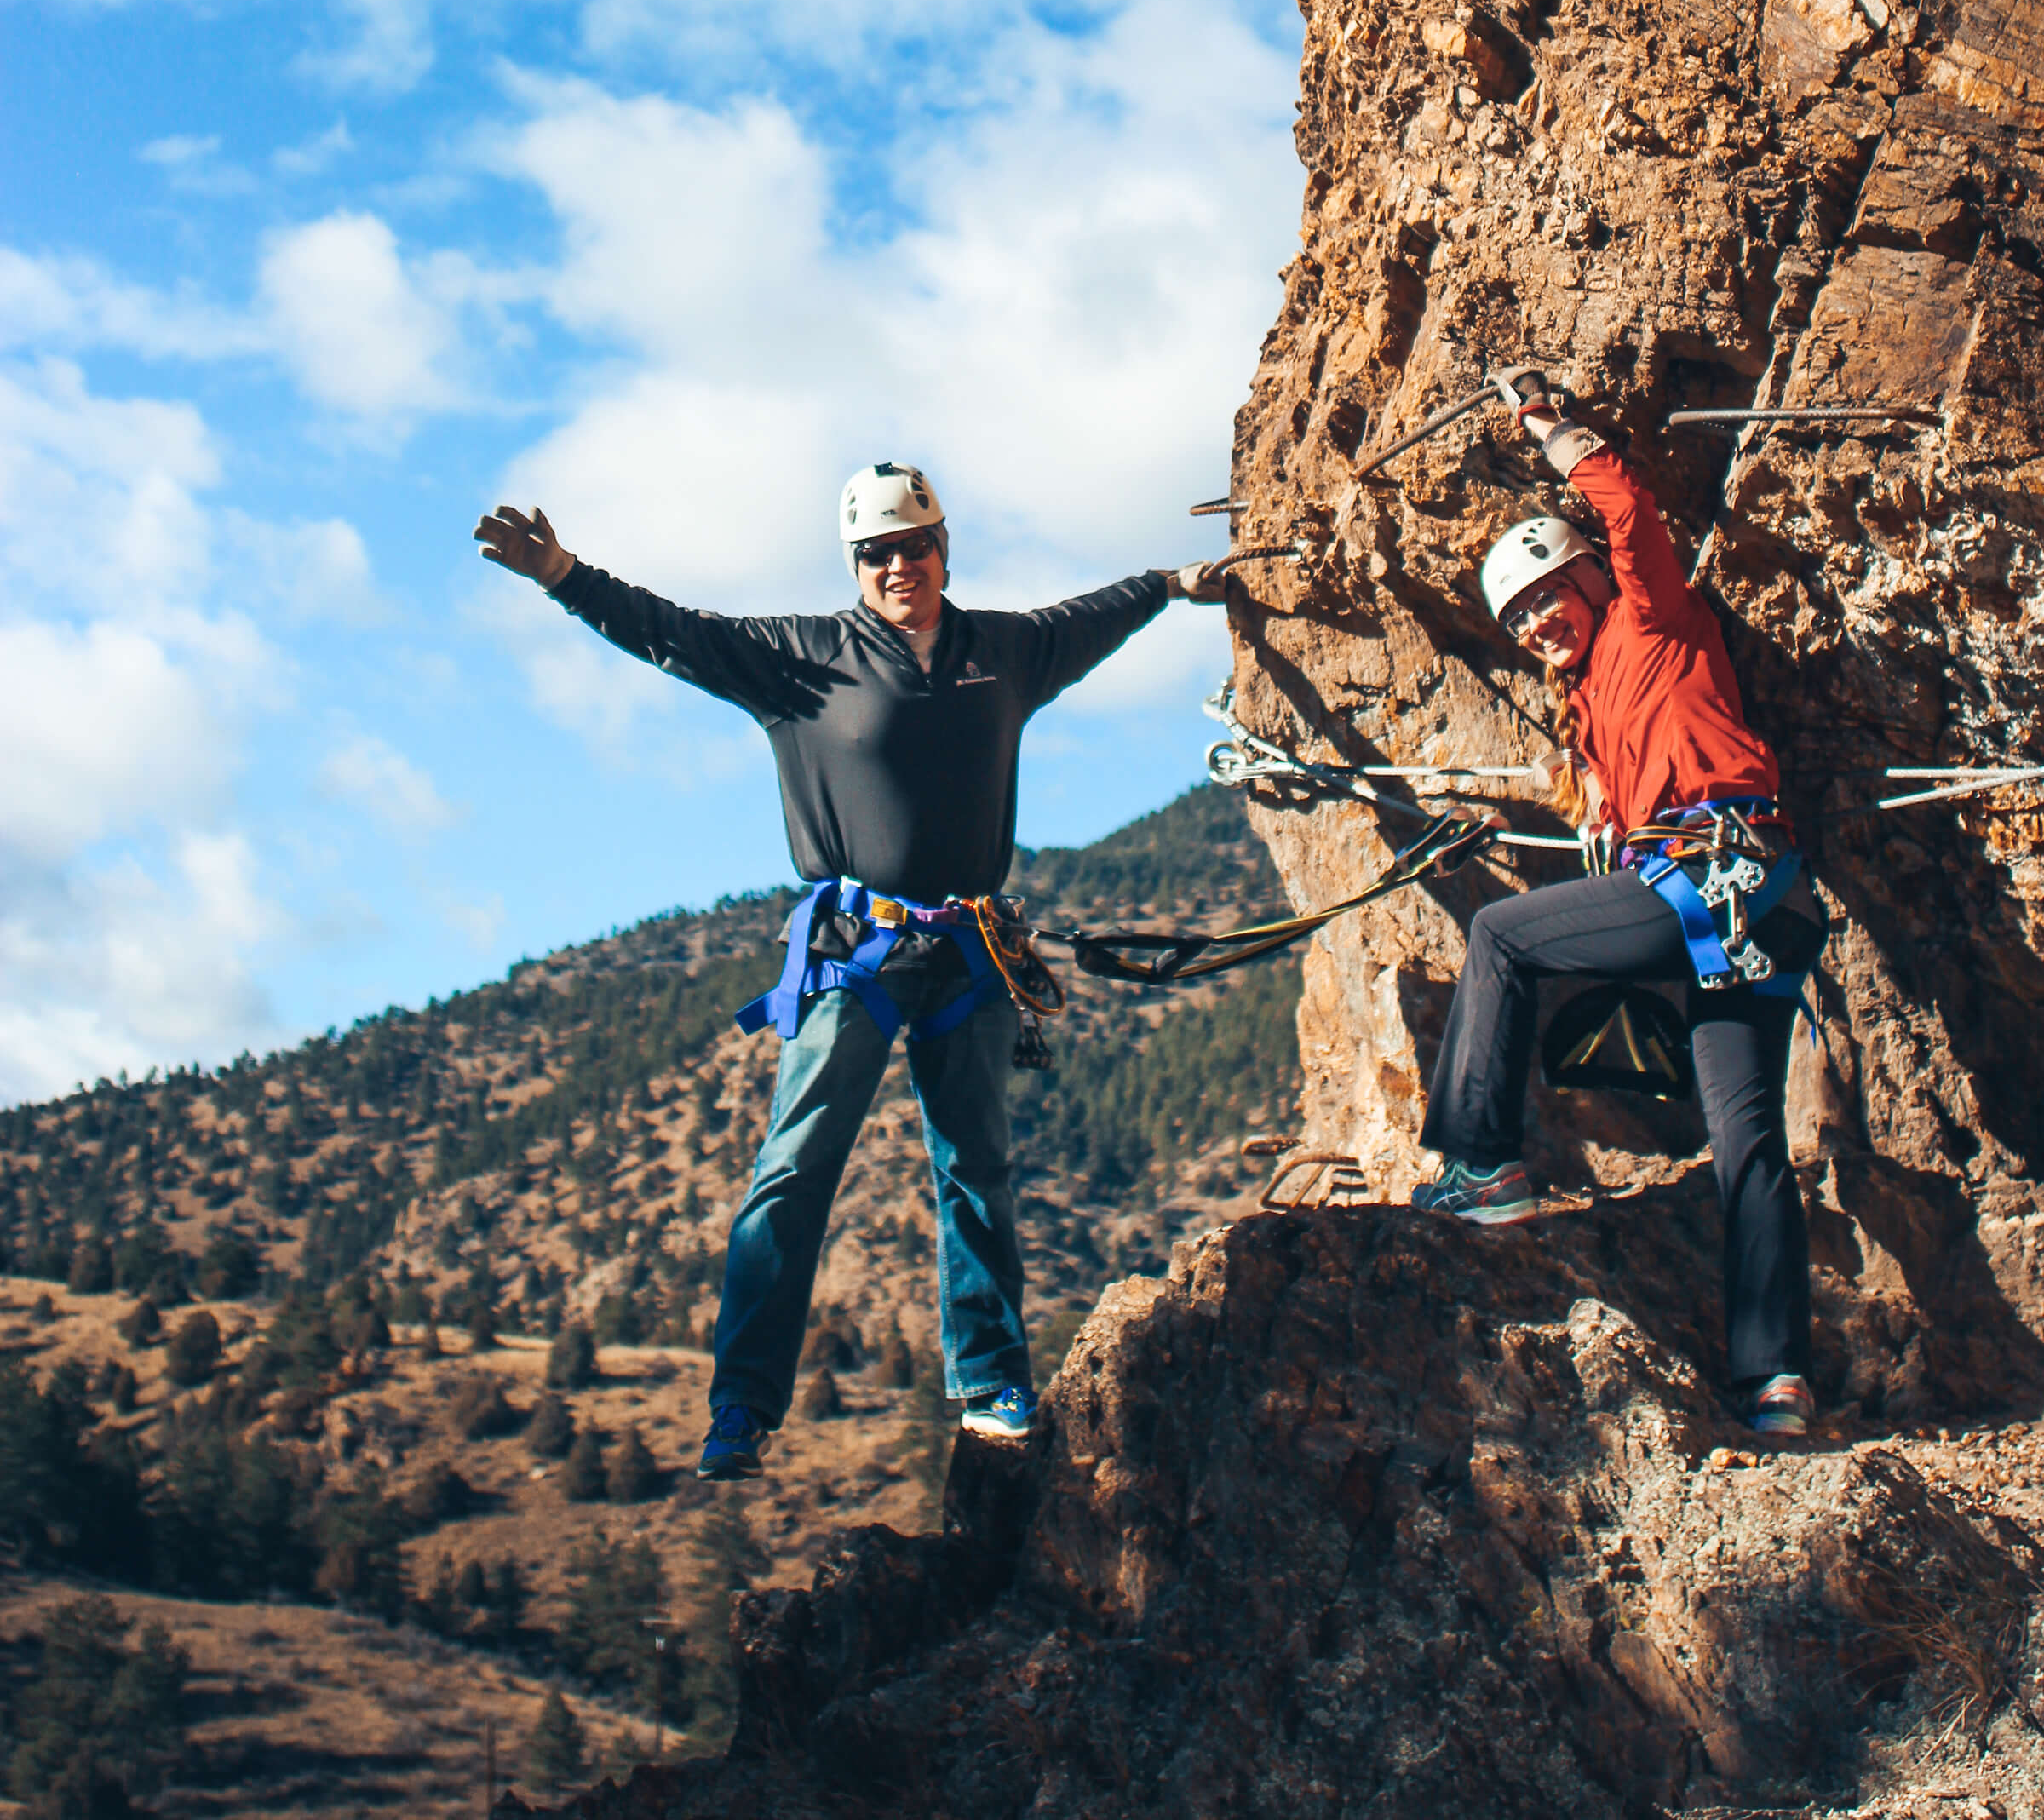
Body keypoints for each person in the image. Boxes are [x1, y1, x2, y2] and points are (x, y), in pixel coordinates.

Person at [475, 459, 1226, 1479]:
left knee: (977, 1170)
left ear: (943, 547)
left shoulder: (1003, 650)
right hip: (854, 951)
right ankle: (741, 1406)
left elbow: (1094, 615)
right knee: (793, 1171)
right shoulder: (798, 660)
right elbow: (672, 631)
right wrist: (563, 574)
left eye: (915, 546)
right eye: (877, 553)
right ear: (854, 563)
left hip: (970, 949)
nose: (898, 566)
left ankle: (993, 1383)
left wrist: (1174, 584)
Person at [1411, 390, 1828, 1440]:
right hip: (1754, 910)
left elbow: (1632, 514)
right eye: (1520, 616)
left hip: (1710, 883)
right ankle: (1774, 1377)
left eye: (1552, 594)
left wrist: (1554, 429)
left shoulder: (1655, 618)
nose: (1538, 621)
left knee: (1502, 934)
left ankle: (1483, 1161)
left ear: (1593, 579)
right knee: (1747, 1138)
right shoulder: (1592, 702)